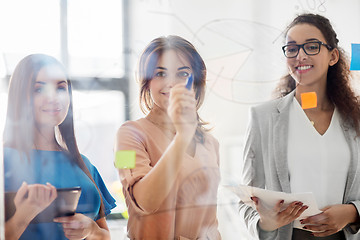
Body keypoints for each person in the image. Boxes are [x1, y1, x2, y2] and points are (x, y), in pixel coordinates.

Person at [239, 13, 360, 240]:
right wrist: (265, 223)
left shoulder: (356, 119)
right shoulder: (262, 117)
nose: (300, 56)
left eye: (312, 47)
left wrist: (353, 213)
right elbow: (246, 201)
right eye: (292, 48)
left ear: (333, 56)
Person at [115, 35, 221, 239]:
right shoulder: (127, 136)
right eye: (160, 73)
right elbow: (143, 201)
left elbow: (210, 222)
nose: (171, 83)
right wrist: (182, 137)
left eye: (182, 74)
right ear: (146, 81)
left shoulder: (210, 143)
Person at [4, 54, 116, 240]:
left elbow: (105, 236)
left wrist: (91, 230)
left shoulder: (83, 164)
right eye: (39, 90)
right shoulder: (5, 160)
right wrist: (23, 217)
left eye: (61, 88)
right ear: (20, 97)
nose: (53, 97)